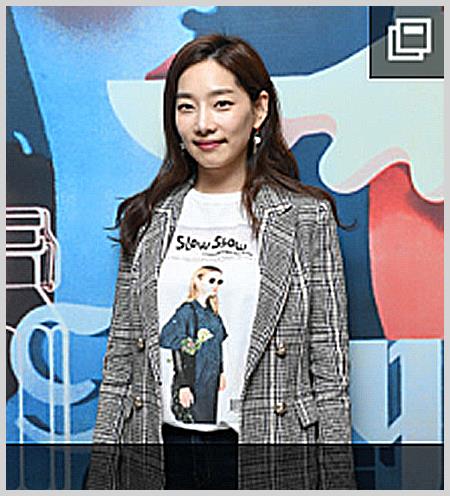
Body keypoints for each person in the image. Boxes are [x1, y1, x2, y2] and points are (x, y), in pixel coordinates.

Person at [88, 33, 354, 490]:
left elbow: (330, 376)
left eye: (222, 104)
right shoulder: (147, 217)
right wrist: (100, 476)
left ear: (259, 109)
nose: (203, 124)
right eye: (185, 106)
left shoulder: (306, 218)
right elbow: (120, 367)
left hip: (268, 450)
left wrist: (338, 483)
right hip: (158, 454)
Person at [159, 266, 227, 424]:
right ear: (197, 281)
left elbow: (217, 345)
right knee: (194, 427)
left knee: (209, 425)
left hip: (211, 379)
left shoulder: (213, 315)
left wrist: (221, 371)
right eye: (211, 280)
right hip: (194, 378)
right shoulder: (187, 312)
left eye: (219, 282)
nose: (216, 285)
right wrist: (183, 385)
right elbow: (176, 347)